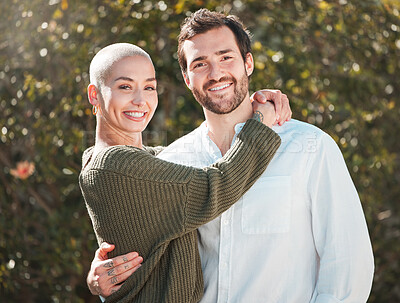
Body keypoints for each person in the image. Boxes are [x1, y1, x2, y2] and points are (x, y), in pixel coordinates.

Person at [88, 8, 375, 303]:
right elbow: (149, 266)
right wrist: (102, 281)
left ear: (247, 63)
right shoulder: (172, 160)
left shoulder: (310, 148)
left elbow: (348, 264)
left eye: (226, 57)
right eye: (200, 64)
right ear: (187, 78)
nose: (216, 73)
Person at [79, 42, 292, 302]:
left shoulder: (106, 160)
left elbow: (177, 159)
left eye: (149, 87)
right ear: (94, 95)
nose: (140, 100)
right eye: (125, 86)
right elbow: (217, 185)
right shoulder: (116, 165)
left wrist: (238, 103)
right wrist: (260, 122)